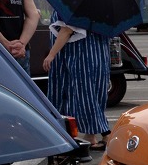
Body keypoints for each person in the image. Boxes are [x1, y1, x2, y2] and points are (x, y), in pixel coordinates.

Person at [43, 18, 111, 150]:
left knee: (82, 94)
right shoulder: (102, 6)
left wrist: (51, 54)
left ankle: (101, 132)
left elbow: (66, 30)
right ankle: (93, 134)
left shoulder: (72, 5)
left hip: (80, 55)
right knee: (94, 94)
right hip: (99, 54)